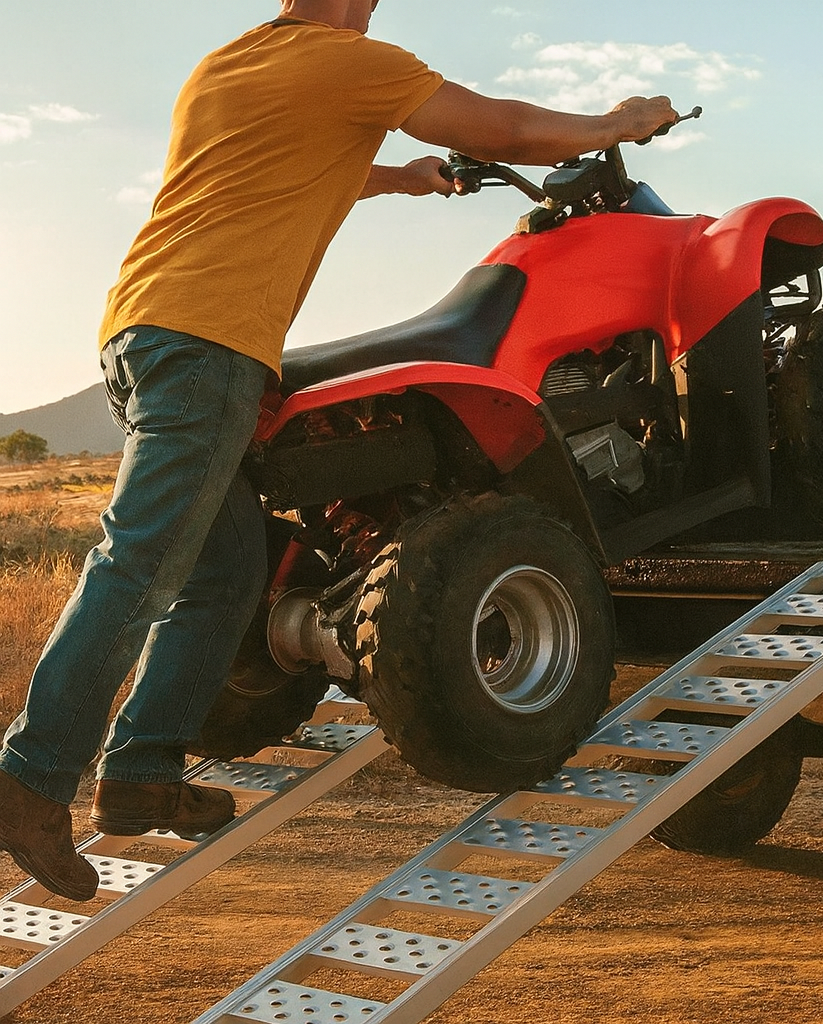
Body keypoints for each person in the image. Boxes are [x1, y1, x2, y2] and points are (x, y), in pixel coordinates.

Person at [0, 0, 679, 902]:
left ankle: (141, 771)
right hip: (209, 344)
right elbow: (505, 128)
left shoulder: (230, 63)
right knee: (140, 565)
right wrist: (617, 122)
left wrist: (400, 179)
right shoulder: (352, 63)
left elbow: (288, 167)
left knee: (223, 572)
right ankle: (30, 779)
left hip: (144, 333)